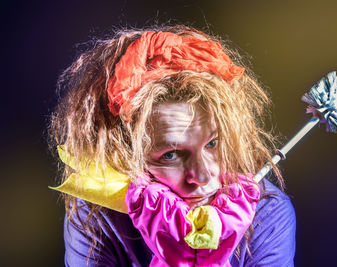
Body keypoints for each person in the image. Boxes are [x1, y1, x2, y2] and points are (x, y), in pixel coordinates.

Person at [49, 25, 296, 266]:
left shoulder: (267, 213)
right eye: (171, 155)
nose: (201, 176)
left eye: (213, 143)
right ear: (125, 156)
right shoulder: (97, 216)